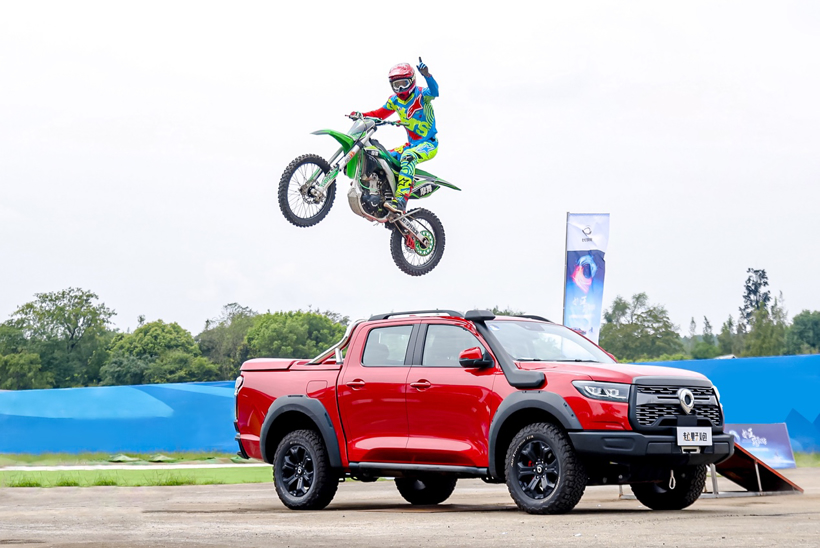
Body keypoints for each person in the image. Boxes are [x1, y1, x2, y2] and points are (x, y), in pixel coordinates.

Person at [351, 58, 439, 213]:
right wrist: (361, 115)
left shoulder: (421, 94)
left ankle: (401, 201)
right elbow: (378, 114)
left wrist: (427, 75)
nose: (400, 88)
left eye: (403, 83)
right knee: (379, 156)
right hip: (411, 145)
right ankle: (379, 196)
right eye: (396, 85)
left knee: (408, 157)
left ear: (412, 81)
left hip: (428, 144)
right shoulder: (394, 100)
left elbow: (434, 92)